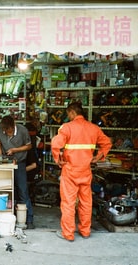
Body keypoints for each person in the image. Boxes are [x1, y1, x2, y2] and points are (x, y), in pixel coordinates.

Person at [51, 102, 112, 241]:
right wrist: (99, 156)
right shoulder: (94, 128)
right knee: (86, 202)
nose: (68, 117)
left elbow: (55, 145)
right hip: (85, 170)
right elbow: (107, 143)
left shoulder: (66, 128)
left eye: (68, 114)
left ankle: (68, 234)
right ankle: (85, 231)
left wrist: (58, 159)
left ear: (72, 112)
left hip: (70, 170)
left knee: (68, 203)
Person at [0, 115, 35, 229]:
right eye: (5, 131)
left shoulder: (22, 130)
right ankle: (4, 217)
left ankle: (29, 219)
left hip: (19, 163)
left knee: (22, 190)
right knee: (3, 188)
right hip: (5, 163)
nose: (7, 134)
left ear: (14, 126)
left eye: (9, 131)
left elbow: (29, 146)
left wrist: (15, 150)